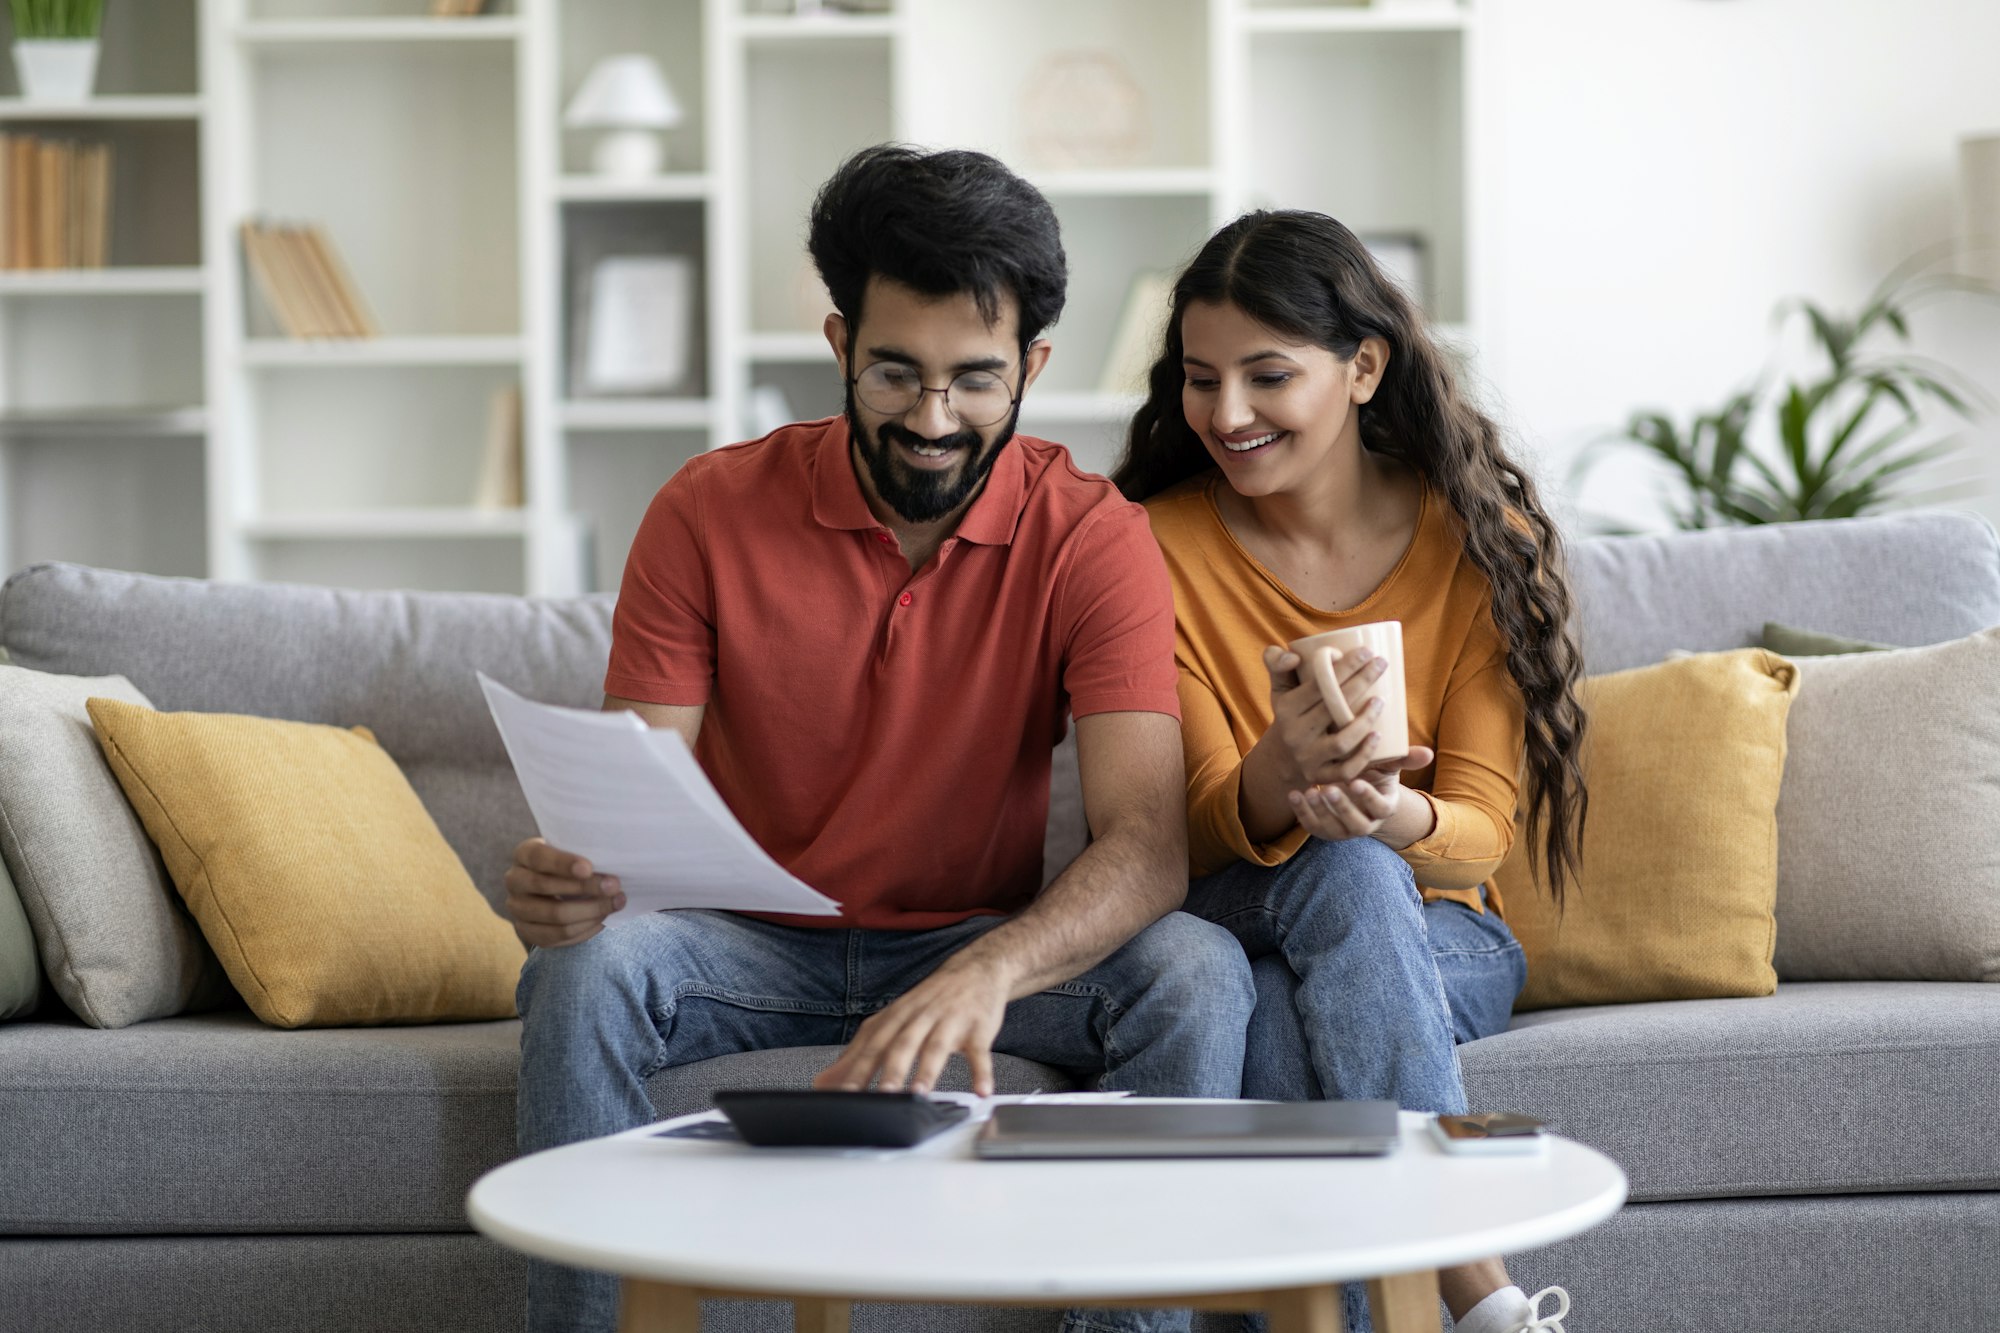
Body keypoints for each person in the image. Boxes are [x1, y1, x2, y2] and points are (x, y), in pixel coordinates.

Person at [504, 144, 1255, 1333]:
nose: (933, 421)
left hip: (968, 940)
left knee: (1196, 971)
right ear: (839, 343)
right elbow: (627, 808)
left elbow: (1150, 845)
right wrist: (573, 886)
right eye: (894, 373)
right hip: (740, 949)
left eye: (974, 379)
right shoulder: (704, 509)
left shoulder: (1091, 535)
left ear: (1033, 367)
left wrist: (985, 972)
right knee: (583, 969)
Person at [1111, 211, 1590, 1333]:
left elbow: (1479, 830)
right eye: (1198, 378)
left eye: (1266, 375)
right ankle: (1474, 1285)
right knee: (1338, 875)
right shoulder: (1150, 545)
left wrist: (1395, 811)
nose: (1224, 414)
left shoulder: (1473, 538)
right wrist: (1277, 778)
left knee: (1309, 965)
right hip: (1233, 901)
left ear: (1362, 367)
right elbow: (1172, 824)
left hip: (1443, 932)